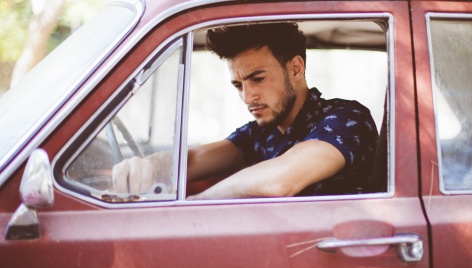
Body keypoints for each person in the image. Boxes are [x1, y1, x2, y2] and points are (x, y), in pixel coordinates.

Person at [112, 22, 378, 199]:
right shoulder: (262, 132)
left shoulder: (347, 119)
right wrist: (148, 167)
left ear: (295, 69)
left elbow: (280, 179)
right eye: (238, 84)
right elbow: (193, 160)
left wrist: (192, 205)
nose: (247, 96)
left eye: (258, 78)